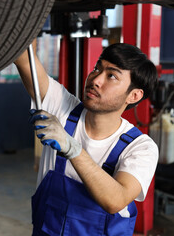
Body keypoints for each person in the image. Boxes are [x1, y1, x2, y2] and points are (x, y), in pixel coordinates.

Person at [14, 40, 159, 236]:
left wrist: (71, 148)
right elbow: (23, 57)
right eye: (96, 68)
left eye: (111, 76)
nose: (96, 80)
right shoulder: (63, 108)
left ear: (134, 96)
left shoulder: (140, 147)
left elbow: (115, 200)